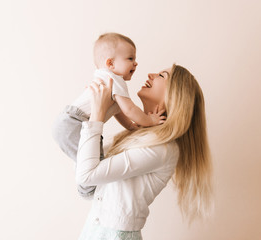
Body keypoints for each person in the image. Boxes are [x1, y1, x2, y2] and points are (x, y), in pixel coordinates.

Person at [69, 64, 213, 239]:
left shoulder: (161, 148)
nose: (151, 74)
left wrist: (98, 114)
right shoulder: (136, 136)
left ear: (174, 95)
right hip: (94, 230)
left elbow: (86, 174)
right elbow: (86, 185)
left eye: (162, 75)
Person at [52, 33, 165, 198]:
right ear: (110, 63)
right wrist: (150, 120)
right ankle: (89, 192)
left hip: (67, 122)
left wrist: (132, 127)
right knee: (93, 161)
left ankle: (88, 189)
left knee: (85, 158)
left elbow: (117, 112)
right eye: (130, 58)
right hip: (75, 123)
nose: (136, 63)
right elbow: (130, 110)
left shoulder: (104, 77)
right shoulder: (115, 80)